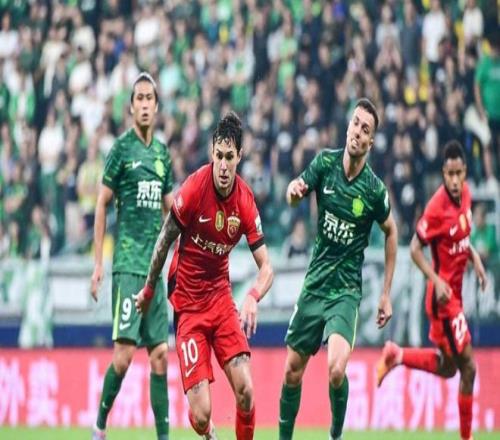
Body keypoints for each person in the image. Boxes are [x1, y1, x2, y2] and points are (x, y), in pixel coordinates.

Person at [135, 112, 273, 440]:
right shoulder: (194, 188)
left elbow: (267, 267)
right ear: (212, 152)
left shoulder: (245, 202)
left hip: (221, 300)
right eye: (218, 156)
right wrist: (150, 289)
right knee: (201, 416)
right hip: (188, 306)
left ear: (240, 156)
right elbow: (164, 240)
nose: (223, 165)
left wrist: (253, 296)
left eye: (230, 157)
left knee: (246, 391)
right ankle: (206, 429)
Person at [279, 98, 398, 440]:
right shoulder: (325, 163)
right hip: (316, 283)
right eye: (355, 123)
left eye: (365, 129)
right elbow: (294, 193)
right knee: (291, 372)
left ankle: (335, 432)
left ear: (371, 141)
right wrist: (293, 192)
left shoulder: (374, 191)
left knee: (335, 369)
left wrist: (386, 294)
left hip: (345, 290)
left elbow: (391, 232)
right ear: (348, 127)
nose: (357, 132)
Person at [377, 140, 488, 440]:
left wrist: (475, 259)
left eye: (459, 173)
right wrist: (435, 280)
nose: (455, 180)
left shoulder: (466, 195)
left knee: (449, 368)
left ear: (465, 172)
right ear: (443, 173)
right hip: (444, 301)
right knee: (469, 368)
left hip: (455, 297)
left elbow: (462, 236)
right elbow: (414, 249)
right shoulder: (436, 208)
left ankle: (397, 355)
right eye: (449, 174)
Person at [90, 72, 174, 440]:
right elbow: (101, 203)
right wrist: (98, 264)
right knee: (123, 358)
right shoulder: (121, 150)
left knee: (160, 356)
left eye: (148, 98)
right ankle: (99, 425)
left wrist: (183, 253)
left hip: (154, 272)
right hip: (127, 267)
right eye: (138, 98)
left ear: (156, 106)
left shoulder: (162, 155)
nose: (143, 104)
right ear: (131, 107)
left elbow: (172, 211)